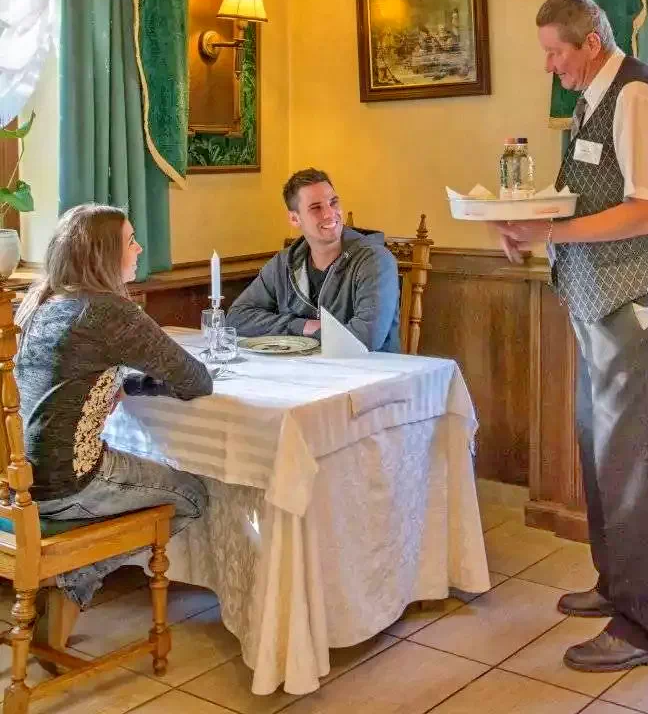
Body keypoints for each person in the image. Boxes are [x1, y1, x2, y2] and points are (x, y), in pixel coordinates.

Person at [496, 0, 648, 673]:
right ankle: (617, 585)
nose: (549, 66)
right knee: (602, 449)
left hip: (636, 300)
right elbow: (593, 196)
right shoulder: (593, 100)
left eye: (556, 52)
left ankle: (644, 626)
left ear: (591, 42)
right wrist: (529, 224)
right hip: (599, 303)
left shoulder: (636, 96)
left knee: (634, 460)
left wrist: (550, 233)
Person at [16, 203, 213, 612]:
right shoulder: (107, 311)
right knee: (193, 496)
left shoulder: (41, 301)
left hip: (19, 485)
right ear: (104, 254)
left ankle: (71, 576)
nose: (139, 249)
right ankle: (72, 577)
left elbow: (73, 376)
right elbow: (196, 380)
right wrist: (152, 385)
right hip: (66, 484)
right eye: (131, 241)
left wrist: (130, 385)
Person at [227, 168, 400, 352]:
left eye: (333, 202)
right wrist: (303, 326)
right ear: (295, 219)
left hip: (367, 368)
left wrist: (299, 332)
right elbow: (236, 317)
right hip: (301, 366)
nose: (329, 214)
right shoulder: (283, 263)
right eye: (316, 208)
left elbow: (365, 338)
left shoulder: (375, 260)